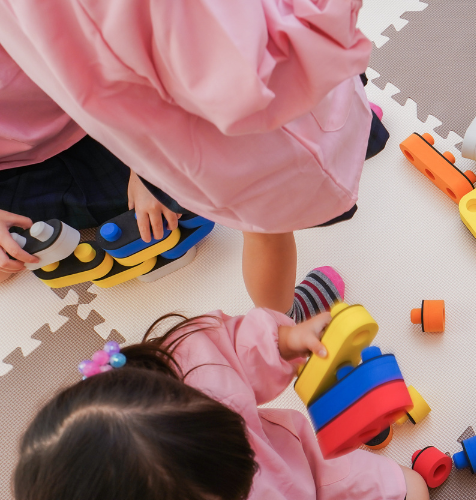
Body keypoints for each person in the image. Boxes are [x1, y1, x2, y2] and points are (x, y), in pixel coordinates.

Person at [0, 0, 389, 321]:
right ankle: (280, 323)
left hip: (163, 116)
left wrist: (146, 167)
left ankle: (278, 324)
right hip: (211, 111)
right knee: (267, 226)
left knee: (264, 222)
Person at [14, 307, 429, 500]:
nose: (249, 467)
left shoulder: (190, 379)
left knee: (413, 487)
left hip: (305, 464)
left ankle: (300, 302)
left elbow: (224, 347)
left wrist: (285, 343)